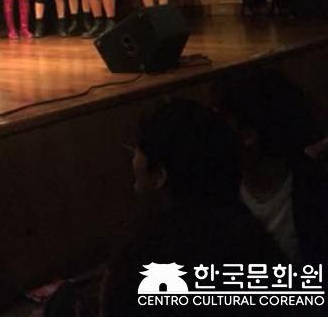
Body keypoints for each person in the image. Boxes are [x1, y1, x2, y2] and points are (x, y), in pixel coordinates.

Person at [99, 100, 286, 315]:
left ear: (160, 175)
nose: (133, 161)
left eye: (136, 151)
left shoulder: (136, 255)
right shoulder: (253, 238)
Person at [213, 70, 328, 267]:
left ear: (248, 136)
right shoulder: (218, 194)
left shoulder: (318, 191)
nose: (211, 133)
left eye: (219, 122)